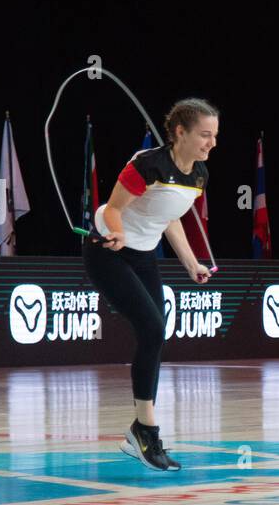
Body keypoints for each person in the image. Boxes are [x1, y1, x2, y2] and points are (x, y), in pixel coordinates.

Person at [85, 98, 217, 470]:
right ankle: (146, 430)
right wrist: (118, 233)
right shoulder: (147, 164)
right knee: (153, 328)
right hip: (108, 250)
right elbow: (112, 208)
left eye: (214, 136)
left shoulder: (199, 175)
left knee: (155, 335)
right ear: (180, 132)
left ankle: (140, 432)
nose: (211, 143)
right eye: (205, 135)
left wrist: (192, 265)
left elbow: (168, 217)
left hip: (143, 254)